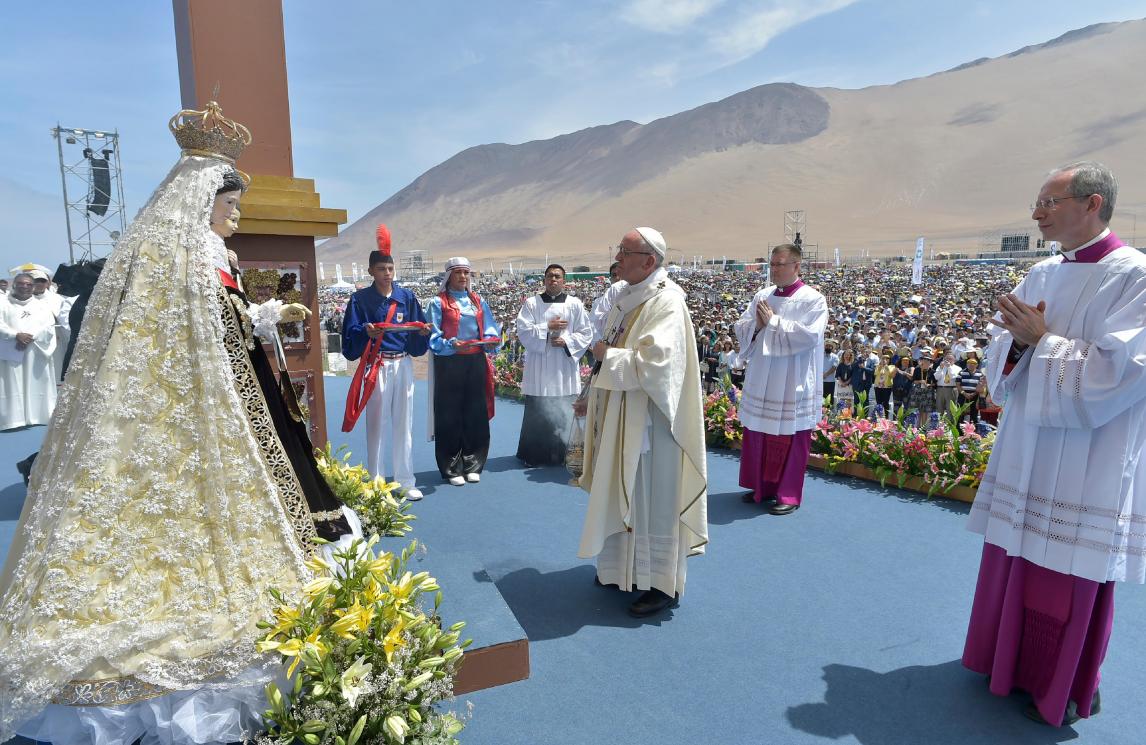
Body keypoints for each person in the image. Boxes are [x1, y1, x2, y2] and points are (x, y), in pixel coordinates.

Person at [0, 103, 331, 744]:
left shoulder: (211, 251)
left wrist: (265, 319)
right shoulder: (170, 250)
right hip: (181, 397)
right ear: (203, 198)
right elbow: (173, 332)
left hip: (228, 390)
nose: (236, 214)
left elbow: (225, 321)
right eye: (228, 203)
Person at [962, 161, 1146, 727]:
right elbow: (999, 355)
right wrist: (1017, 348)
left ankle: (1063, 682)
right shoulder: (1039, 275)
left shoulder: (1135, 276)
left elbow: (1122, 372)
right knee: (1018, 548)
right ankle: (1006, 663)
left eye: (1049, 201)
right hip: (1029, 445)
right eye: (1037, 203)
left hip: (1093, 455)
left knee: (1067, 567)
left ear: (1093, 204)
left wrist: (1043, 342)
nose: (1037, 213)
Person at [576, 227, 708, 617]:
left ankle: (661, 582)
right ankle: (622, 570)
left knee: (653, 498)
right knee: (624, 489)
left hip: (652, 424)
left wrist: (606, 354)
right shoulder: (624, 297)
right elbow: (609, 349)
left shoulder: (666, 302)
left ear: (649, 261)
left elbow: (655, 366)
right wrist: (592, 391)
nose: (617, 257)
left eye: (625, 251)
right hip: (620, 415)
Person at [735, 243, 827, 515]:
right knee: (759, 432)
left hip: (792, 380)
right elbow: (742, 325)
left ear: (796, 266)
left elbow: (810, 335)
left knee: (792, 436)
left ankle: (787, 494)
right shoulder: (763, 295)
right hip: (763, 376)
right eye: (772, 264)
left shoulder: (813, 299)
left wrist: (773, 323)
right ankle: (761, 488)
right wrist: (757, 325)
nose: (773, 269)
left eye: (779, 264)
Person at [341, 225, 431, 500]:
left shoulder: (407, 297)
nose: (387, 274)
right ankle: (376, 482)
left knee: (404, 423)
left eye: (390, 268)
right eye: (382, 269)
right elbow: (350, 336)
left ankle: (405, 480)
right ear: (371, 271)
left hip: (402, 365)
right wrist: (365, 333)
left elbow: (417, 333)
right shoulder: (359, 300)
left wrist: (423, 332)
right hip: (377, 366)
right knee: (377, 424)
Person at [426, 257, 501, 486]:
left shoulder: (478, 301)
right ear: (449, 276)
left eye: (466, 273)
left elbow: (490, 327)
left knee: (475, 412)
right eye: (458, 272)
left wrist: (490, 341)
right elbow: (433, 335)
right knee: (449, 414)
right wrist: (451, 344)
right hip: (450, 362)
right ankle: (451, 467)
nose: (463, 277)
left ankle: (473, 463)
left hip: (475, 361)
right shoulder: (438, 302)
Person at [514, 264, 592, 466]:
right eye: (550, 276)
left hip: (563, 366)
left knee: (564, 407)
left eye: (558, 277)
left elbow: (586, 333)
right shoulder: (532, 304)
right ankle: (534, 455)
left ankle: (564, 452)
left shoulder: (574, 304)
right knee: (538, 410)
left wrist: (567, 342)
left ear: (564, 281)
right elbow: (522, 331)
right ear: (544, 280)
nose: (553, 280)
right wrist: (546, 328)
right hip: (539, 365)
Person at [0, 273, 58, 431]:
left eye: (28, 284)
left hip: (35, 350)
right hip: (11, 349)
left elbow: (48, 326)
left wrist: (30, 337)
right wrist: (16, 335)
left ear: (33, 287)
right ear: (14, 285)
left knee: (36, 381)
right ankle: (13, 419)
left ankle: (38, 415)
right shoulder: (3, 303)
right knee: (12, 382)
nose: (24, 287)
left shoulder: (42, 306)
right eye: (20, 283)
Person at [588, 261, 624, 340]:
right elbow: (592, 326)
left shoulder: (637, 298)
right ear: (610, 279)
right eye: (614, 275)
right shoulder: (598, 303)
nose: (618, 278)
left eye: (622, 274)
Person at [956, 356, 983, 423]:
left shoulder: (980, 373)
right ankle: (959, 430)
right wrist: (964, 393)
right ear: (967, 364)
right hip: (963, 394)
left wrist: (974, 393)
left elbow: (981, 385)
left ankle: (972, 429)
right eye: (969, 363)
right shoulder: (961, 372)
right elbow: (958, 384)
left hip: (975, 395)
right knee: (960, 412)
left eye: (973, 363)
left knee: (974, 413)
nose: (971, 365)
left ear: (976, 365)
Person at [934, 352, 961, 416]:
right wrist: (940, 368)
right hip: (940, 389)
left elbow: (953, 377)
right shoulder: (940, 367)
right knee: (939, 408)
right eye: (946, 359)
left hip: (951, 389)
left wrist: (949, 367)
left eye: (950, 359)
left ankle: (950, 424)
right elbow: (936, 377)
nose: (948, 360)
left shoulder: (958, 368)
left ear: (954, 360)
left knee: (950, 409)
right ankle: (938, 424)